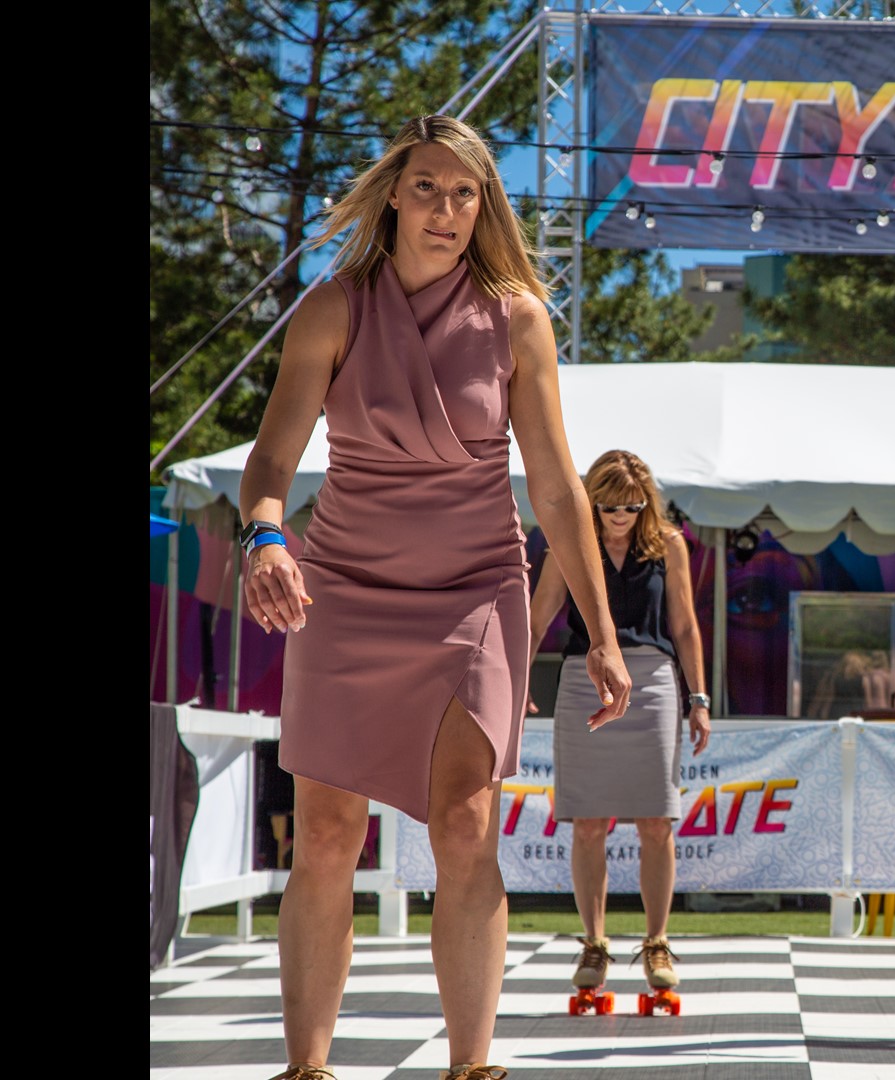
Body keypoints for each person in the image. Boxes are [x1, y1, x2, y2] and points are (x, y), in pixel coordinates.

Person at [239, 114, 632, 1080]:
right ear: (393, 196)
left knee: (465, 821)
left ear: (483, 206)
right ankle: (308, 1068)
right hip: (343, 588)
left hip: (474, 591)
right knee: (328, 834)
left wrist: (604, 634)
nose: (446, 210)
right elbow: (273, 461)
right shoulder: (332, 308)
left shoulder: (517, 317)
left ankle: (470, 1066)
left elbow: (555, 489)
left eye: (466, 193)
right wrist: (263, 537)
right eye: (426, 188)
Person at [527, 450, 712, 1004]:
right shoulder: (569, 540)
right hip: (585, 677)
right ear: (592, 500)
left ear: (645, 503)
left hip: (653, 678)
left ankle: (657, 942)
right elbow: (539, 613)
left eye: (632, 507)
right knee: (587, 821)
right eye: (609, 507)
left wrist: (698, 698)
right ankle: (594, 942)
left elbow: (683, 624)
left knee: (658, 820)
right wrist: (514, 684)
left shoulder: (669, 545)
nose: (620, 517)